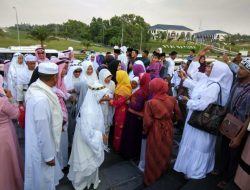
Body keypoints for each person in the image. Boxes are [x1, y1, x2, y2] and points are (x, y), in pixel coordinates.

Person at [174, 61, 233, 179]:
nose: (207, 67)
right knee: (192, 143)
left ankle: (194, 170)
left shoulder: (214, 86)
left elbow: (202, 105)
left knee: (198, 145)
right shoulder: (207, 80)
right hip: (195, 117)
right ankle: (188, 166)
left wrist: (188, 101)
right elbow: (196, 86)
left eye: (211, 67)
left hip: (202, 120)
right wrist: (184, 79)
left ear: (218, 71)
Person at [24, 62, 64, 190]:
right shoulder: (41, 99)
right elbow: (43, 130)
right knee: (43, 180)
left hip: (35, 142)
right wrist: (49, 156)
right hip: (41, 148)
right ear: (54, 77)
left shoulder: (35, 88)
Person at [68, 82, 109, 190]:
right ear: (96, 95)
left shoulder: (94, 104)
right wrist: (101, 136)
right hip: (85, 141)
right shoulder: (89, 111)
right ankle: (81, 183)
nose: (106, 97)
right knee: (85, 162)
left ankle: (90, 180)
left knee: (91, 162)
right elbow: (87, 134)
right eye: (103, 95)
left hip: (90, 139)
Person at [217, 57, 250, 188]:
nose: (238, 69)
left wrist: (239, 137)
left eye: (242, 68)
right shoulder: (237, 82)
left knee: (234, 155)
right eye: (239, 67)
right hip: (229, 123)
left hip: (239, 127)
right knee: (223, 149)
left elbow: (249, 118)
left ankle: (228, 178)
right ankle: (222, 171)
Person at [143, 78, 182, 186]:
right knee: (166, 149)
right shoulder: (172, 99)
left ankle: (151, 178)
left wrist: (145, 131)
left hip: (155, 129)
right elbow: (178, 115)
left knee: (153, 152)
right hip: (168, 127)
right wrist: (170, 120)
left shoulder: (150, 103)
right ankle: (163, 173)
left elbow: (147, 122)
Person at [0, 75, 24, 190]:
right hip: (5, 134)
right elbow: (16, 114)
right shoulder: (3, 101)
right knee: (7, 162)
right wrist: (10, 98)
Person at [121, 73, 151, 160]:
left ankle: (128, 154)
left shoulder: (141, 91)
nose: (139, 81)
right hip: (140, 117)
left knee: (130, 134)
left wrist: (129, 102)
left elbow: (138, 106)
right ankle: (135, 153)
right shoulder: (148, 89)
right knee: (136, 135)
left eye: (140, 79)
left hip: (133, 116)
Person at [109, 70, 132, 152]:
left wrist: (110, 101)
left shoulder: (124, 88)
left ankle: (118, 147)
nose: (116, 77)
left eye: (118, 76)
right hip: (118, 110)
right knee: (117, 127)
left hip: (122, 111)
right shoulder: (120, 85)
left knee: (119, 128)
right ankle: (116, 145)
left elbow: (119, 102)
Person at [98, 69, 115, 138]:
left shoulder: (112, 83)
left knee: (107, 124)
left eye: (110, 77)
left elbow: (114, 95)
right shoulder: (98, 84)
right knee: (100, 124)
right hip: (100, 107)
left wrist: (110, 98)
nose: (109, 79)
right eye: (107, 77)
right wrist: (103, 98)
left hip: (109, 106)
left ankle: (105, 143)